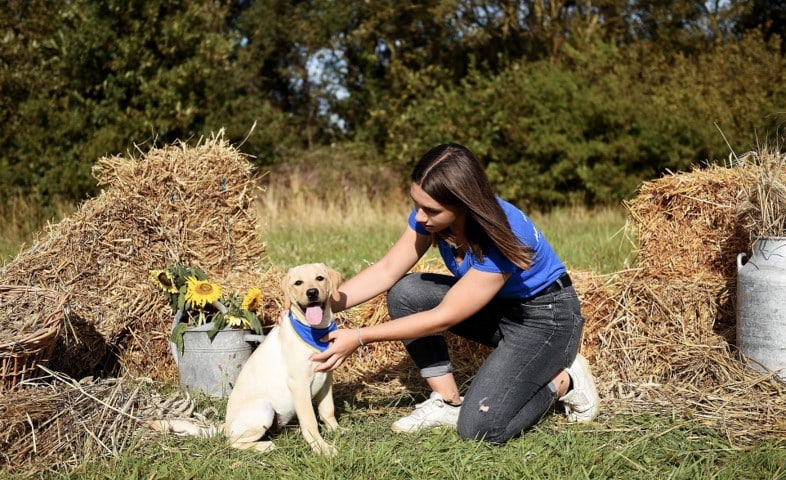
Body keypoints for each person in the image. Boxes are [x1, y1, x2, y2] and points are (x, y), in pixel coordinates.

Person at [310, 143, 599, 444]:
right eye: (416, 204)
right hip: (498, 308)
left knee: (480, 429)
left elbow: (443, 317)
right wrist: (317, 304)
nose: (420, 217)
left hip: (545, 319)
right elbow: (387, 270)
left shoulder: (503, 233)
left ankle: (565, 381)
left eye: (431, 210)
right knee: (406, 291)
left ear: (464, 204)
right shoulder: (432, 219)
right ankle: (448, 401)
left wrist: (359, 337)